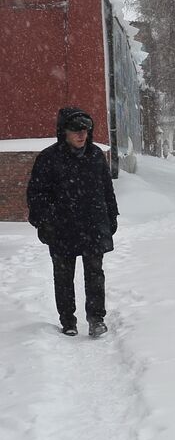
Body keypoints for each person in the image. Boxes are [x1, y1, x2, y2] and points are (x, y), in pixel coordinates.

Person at [26, 107, 119, 337]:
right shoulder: (49, 158)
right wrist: (43, 222)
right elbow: (36, 194)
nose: (81, 135)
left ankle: (96, 318)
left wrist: (112, 216)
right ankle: (68, 320)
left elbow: (107, 189)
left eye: (85, 130)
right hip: (61, 228)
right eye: (76, 130)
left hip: (93, 224)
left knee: (95, 274)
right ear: (64, 132)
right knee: (64, 276)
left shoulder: (96, 155)